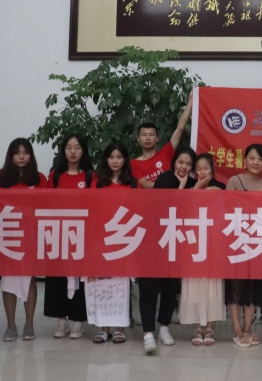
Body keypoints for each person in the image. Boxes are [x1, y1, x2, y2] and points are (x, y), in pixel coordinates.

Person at [141, 147, 199, 352]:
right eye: (180, 162)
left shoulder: (193, 184)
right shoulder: (164, 179)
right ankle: (148, 332)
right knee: (149, 287)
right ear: (174, 162)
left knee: (169, 288)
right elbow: (167, 205)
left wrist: (195, 184)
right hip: (155, 240)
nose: (183, 167)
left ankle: (164, 327)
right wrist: (182, 187)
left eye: (188, 164)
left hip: (177, 244)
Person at [0, 138, 48, 342]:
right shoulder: (0, 177)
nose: (22, 156)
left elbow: (49, 204)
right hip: (8, 235)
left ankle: (29, 324)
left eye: (26, 152)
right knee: (8, 278)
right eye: (17, 153)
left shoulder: (39, 178)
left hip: (32, 234)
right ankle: (11, 325)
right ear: (11, 156)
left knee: (30, 278)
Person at [225, 144, 262, 348]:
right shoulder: (234, 181)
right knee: (236, 286)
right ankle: (237, 329)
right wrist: (253, 201)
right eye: (252, 158)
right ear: (244, 159)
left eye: (260, 159)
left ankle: (248, 328)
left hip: (258, 241)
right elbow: (227, 209)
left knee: (254, 286)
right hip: (236, 240)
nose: (256, 162)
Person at [44, 134, 94, 340]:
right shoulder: (55, 175)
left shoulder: (90, 176)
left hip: (82, 233)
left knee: (80, 277)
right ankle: (61, 318)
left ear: (83, 151)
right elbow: (46, 203)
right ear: (63, 151)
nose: (73, 152)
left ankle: (77, 320)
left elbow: (95, 204)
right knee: (57, 277)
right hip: (58, 232)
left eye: (77, 147)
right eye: (69, 147)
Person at [178, 153, 226, 348]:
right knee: (194, 284)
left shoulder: (220, 187)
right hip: (193, 242)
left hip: (213, 241)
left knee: (212, 284)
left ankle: (210, 327)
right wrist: (195, 188)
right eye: (198, 169)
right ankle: (198, 327)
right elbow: (178, 204)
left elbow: (219, 200)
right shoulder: (190, 187)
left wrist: (199, 190)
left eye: (206, 168)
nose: (202, 172)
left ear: (213, 169)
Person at [89, 143, 136, 344]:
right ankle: (103, 328)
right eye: (111, 157)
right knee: (102, 284)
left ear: (125, 159)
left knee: (121, 285)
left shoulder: (132, 183)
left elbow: (137, 210)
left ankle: (120, 328)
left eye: (119, 157)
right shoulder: (97, 183)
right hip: (102, 237)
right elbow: (91, 210)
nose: (115, 161)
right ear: (106, 160)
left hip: (124, 238)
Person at [131, 91, 193, 188]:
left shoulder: (166, 153)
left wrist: (191, 100)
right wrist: (168, 185)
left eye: (151, 135)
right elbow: (145, 184)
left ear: (157, 138)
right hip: (153, 197)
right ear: (138, 139)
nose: (147, 138)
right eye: (144, 135)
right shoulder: (134, 163)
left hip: (174, 195)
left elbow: (180, 129)